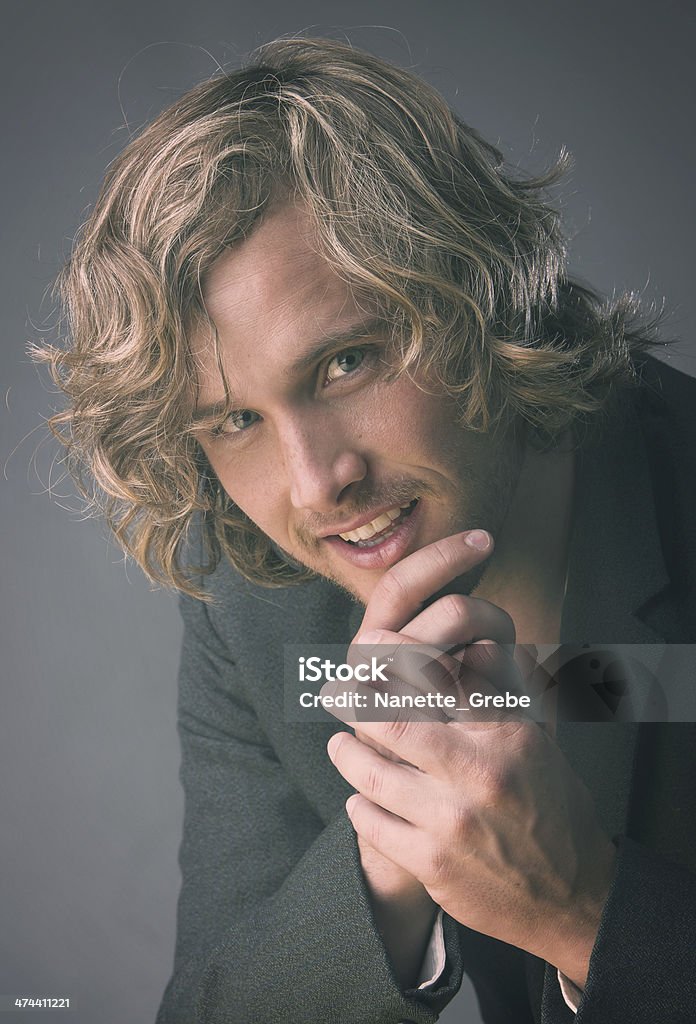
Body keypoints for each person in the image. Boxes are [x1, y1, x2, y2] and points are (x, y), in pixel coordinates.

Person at [35, 37, 696, 1024]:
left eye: (346, 363)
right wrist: (388, 861)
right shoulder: (253, 603)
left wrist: (581, 909)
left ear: (471, 287)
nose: (318, 486)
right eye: (236, 420)